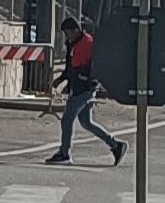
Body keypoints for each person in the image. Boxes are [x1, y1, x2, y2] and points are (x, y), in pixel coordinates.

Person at [45, 16, 128, 166]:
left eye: (68, 33)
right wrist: (62, 79)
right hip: (80, 87)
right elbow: (71, 68)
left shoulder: (87, 43)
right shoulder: (74, 42)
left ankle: (64, 153)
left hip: (84, 88)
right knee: (86, 122)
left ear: (76, 30)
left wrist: (72, 82)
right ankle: (116, 145)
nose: (67, 36)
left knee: (67, 119)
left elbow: (84, 68)